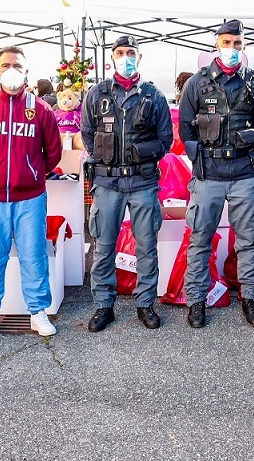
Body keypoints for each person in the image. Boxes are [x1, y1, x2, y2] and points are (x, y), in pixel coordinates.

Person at [0, 46, 62, 341]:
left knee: (33, 255)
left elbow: (53, 152)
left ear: (26, 71)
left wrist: (30, 173)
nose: (11, 69)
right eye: (5, 64)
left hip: (30, 197)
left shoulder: (40, 110)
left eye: (17, 65)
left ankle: (37, 312)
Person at [179, 20, 254, 328]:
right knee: (200, 239)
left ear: (243, 47)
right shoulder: (197, 83)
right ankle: (195, 300)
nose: (232, 49)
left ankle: (251, 299)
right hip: (209, 175)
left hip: (244, 173)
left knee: (247, 240)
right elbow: (186, 128)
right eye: (227, 43)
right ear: (217, 45)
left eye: (237, 44)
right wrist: (198, 162)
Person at [81, 36, 173, 332]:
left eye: (130, 52)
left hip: (143, 181)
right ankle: (103, 305)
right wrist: (106, 158)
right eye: (120, 53)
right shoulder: (97, 94)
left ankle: (145, 304)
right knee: (104, 246)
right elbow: (87, 133)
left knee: (146, 246)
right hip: (107, 182)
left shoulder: (153, 96)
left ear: (139, 57)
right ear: (112, 58)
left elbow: (166, 139)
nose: (125, 57)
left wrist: (142, 154)